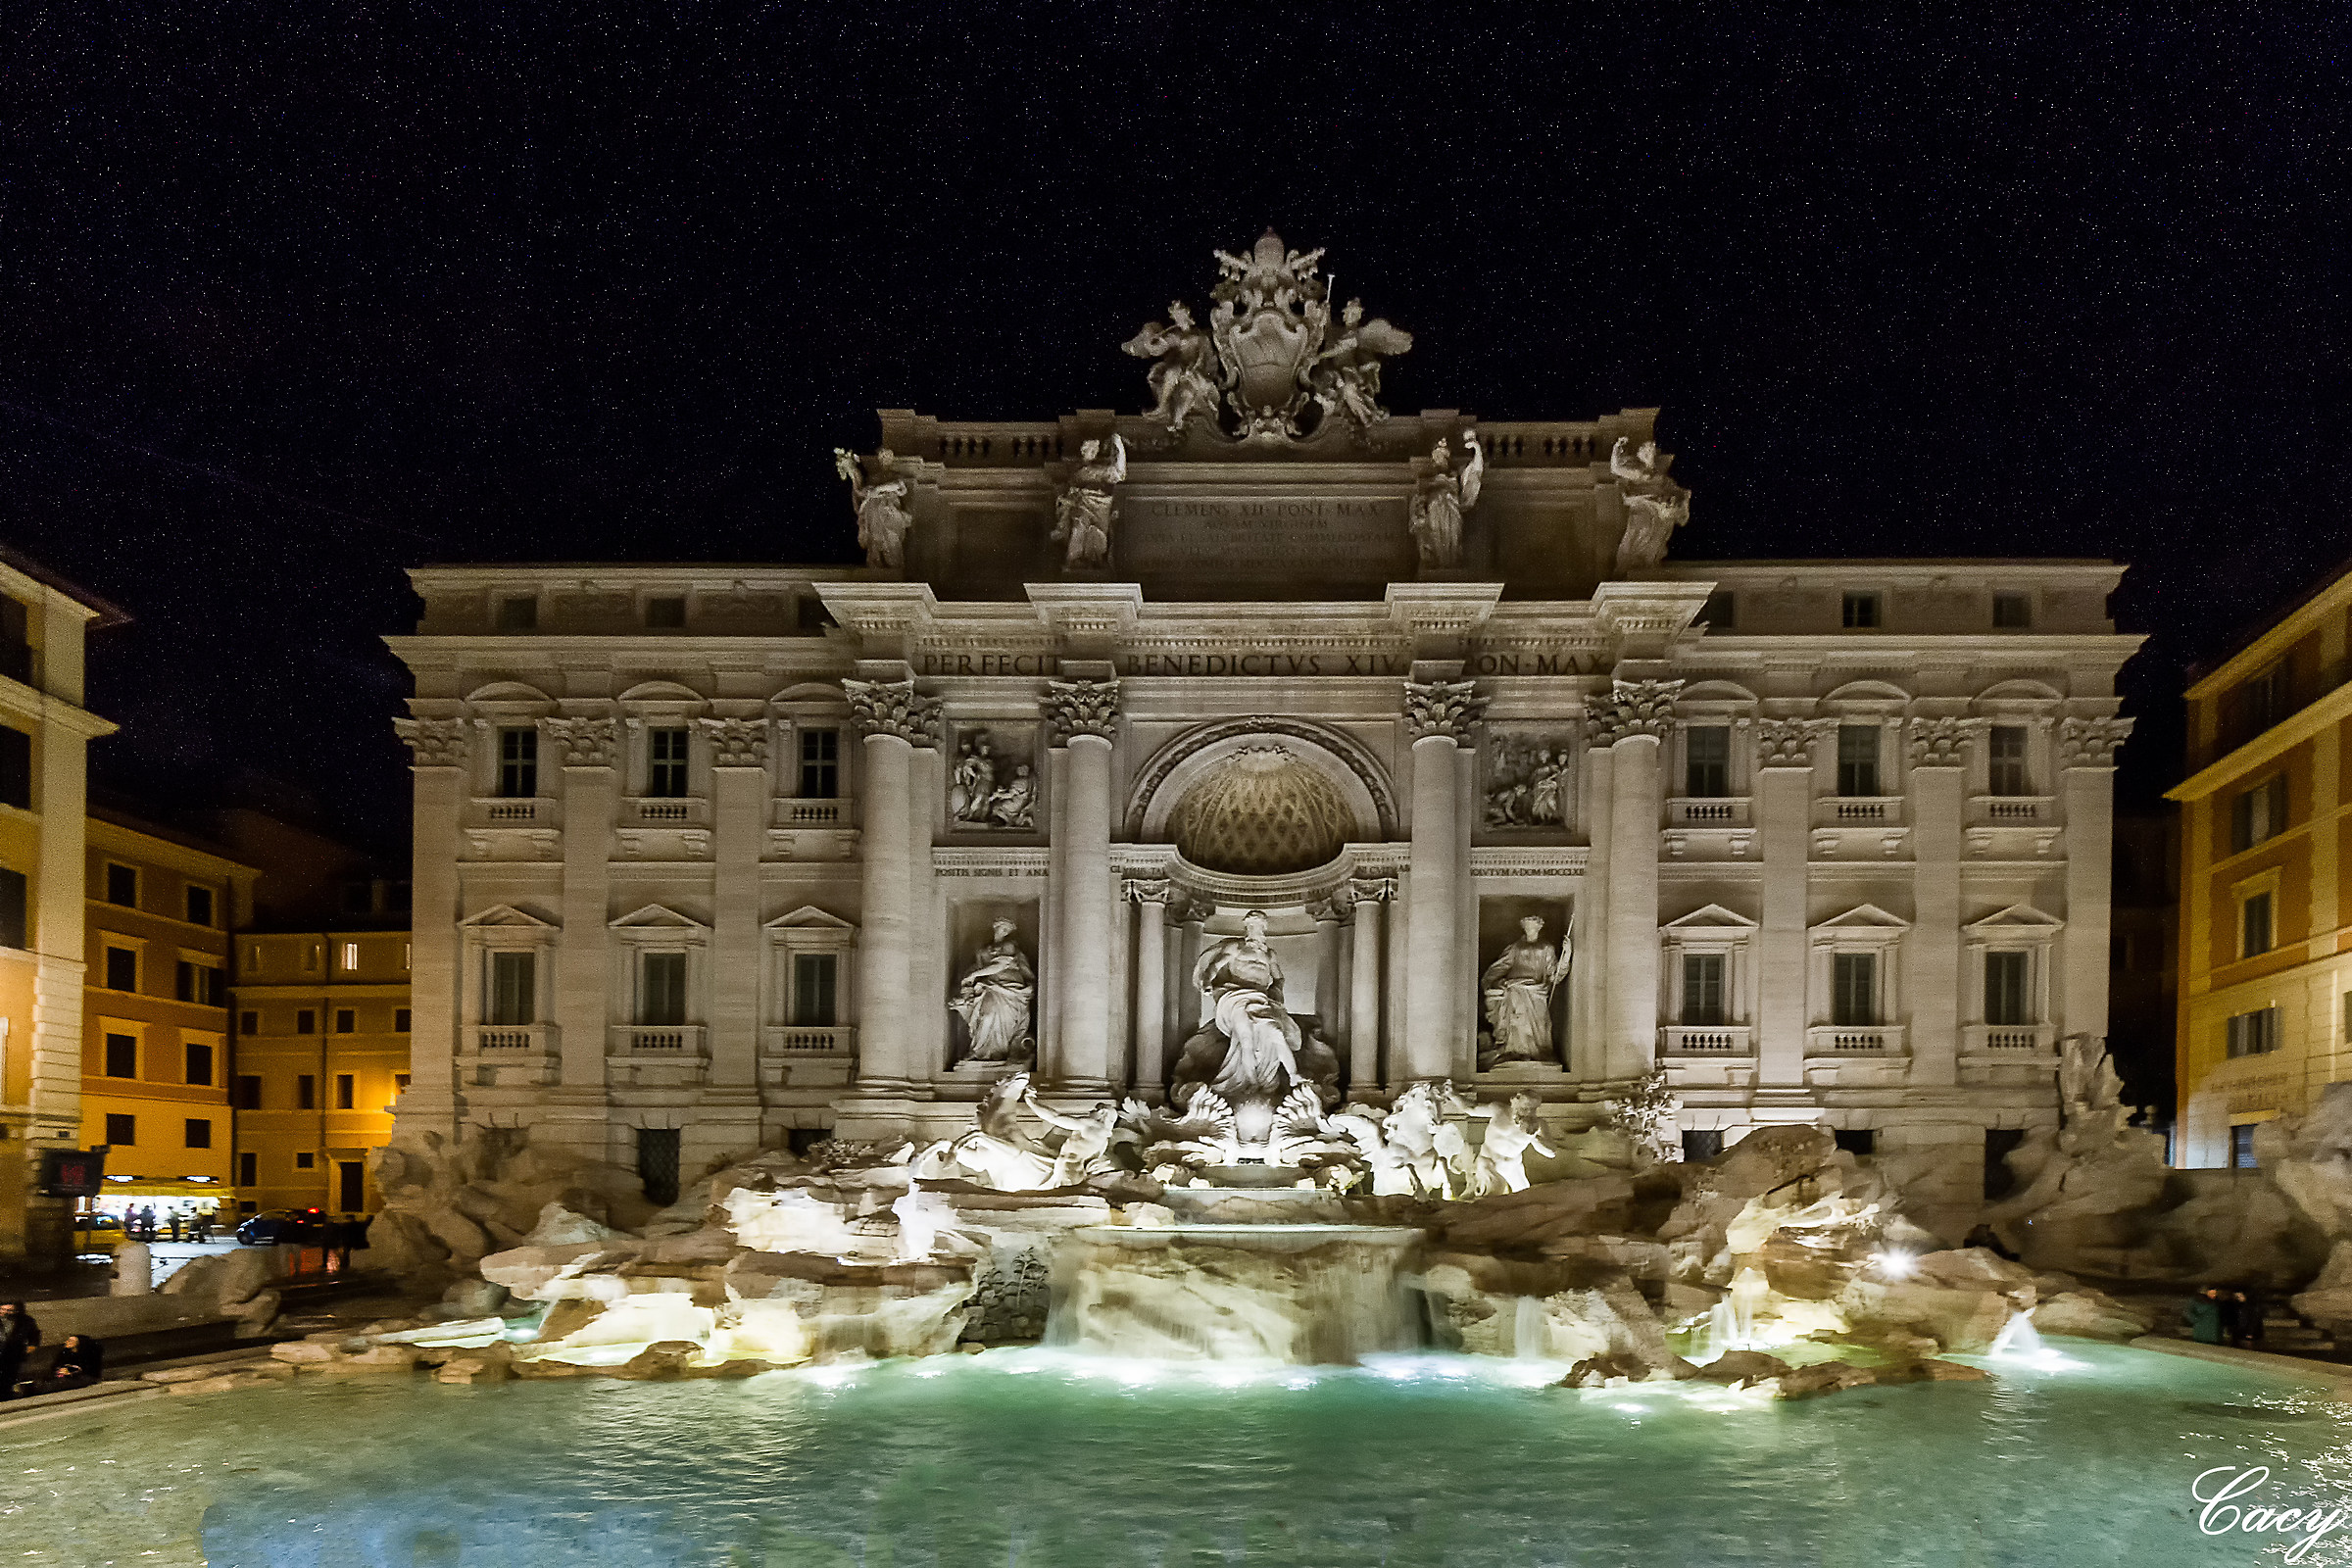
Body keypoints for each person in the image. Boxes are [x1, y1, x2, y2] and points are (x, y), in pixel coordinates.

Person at [0, 1302, 40, 1399]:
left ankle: (6, 1395)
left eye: (9, 1310)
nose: (5, 1313)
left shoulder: (25, 1321)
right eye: (3, 1309)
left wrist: (31, 1347)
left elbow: (34, 1335)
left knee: (9, 1376)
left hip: (13, 1354)